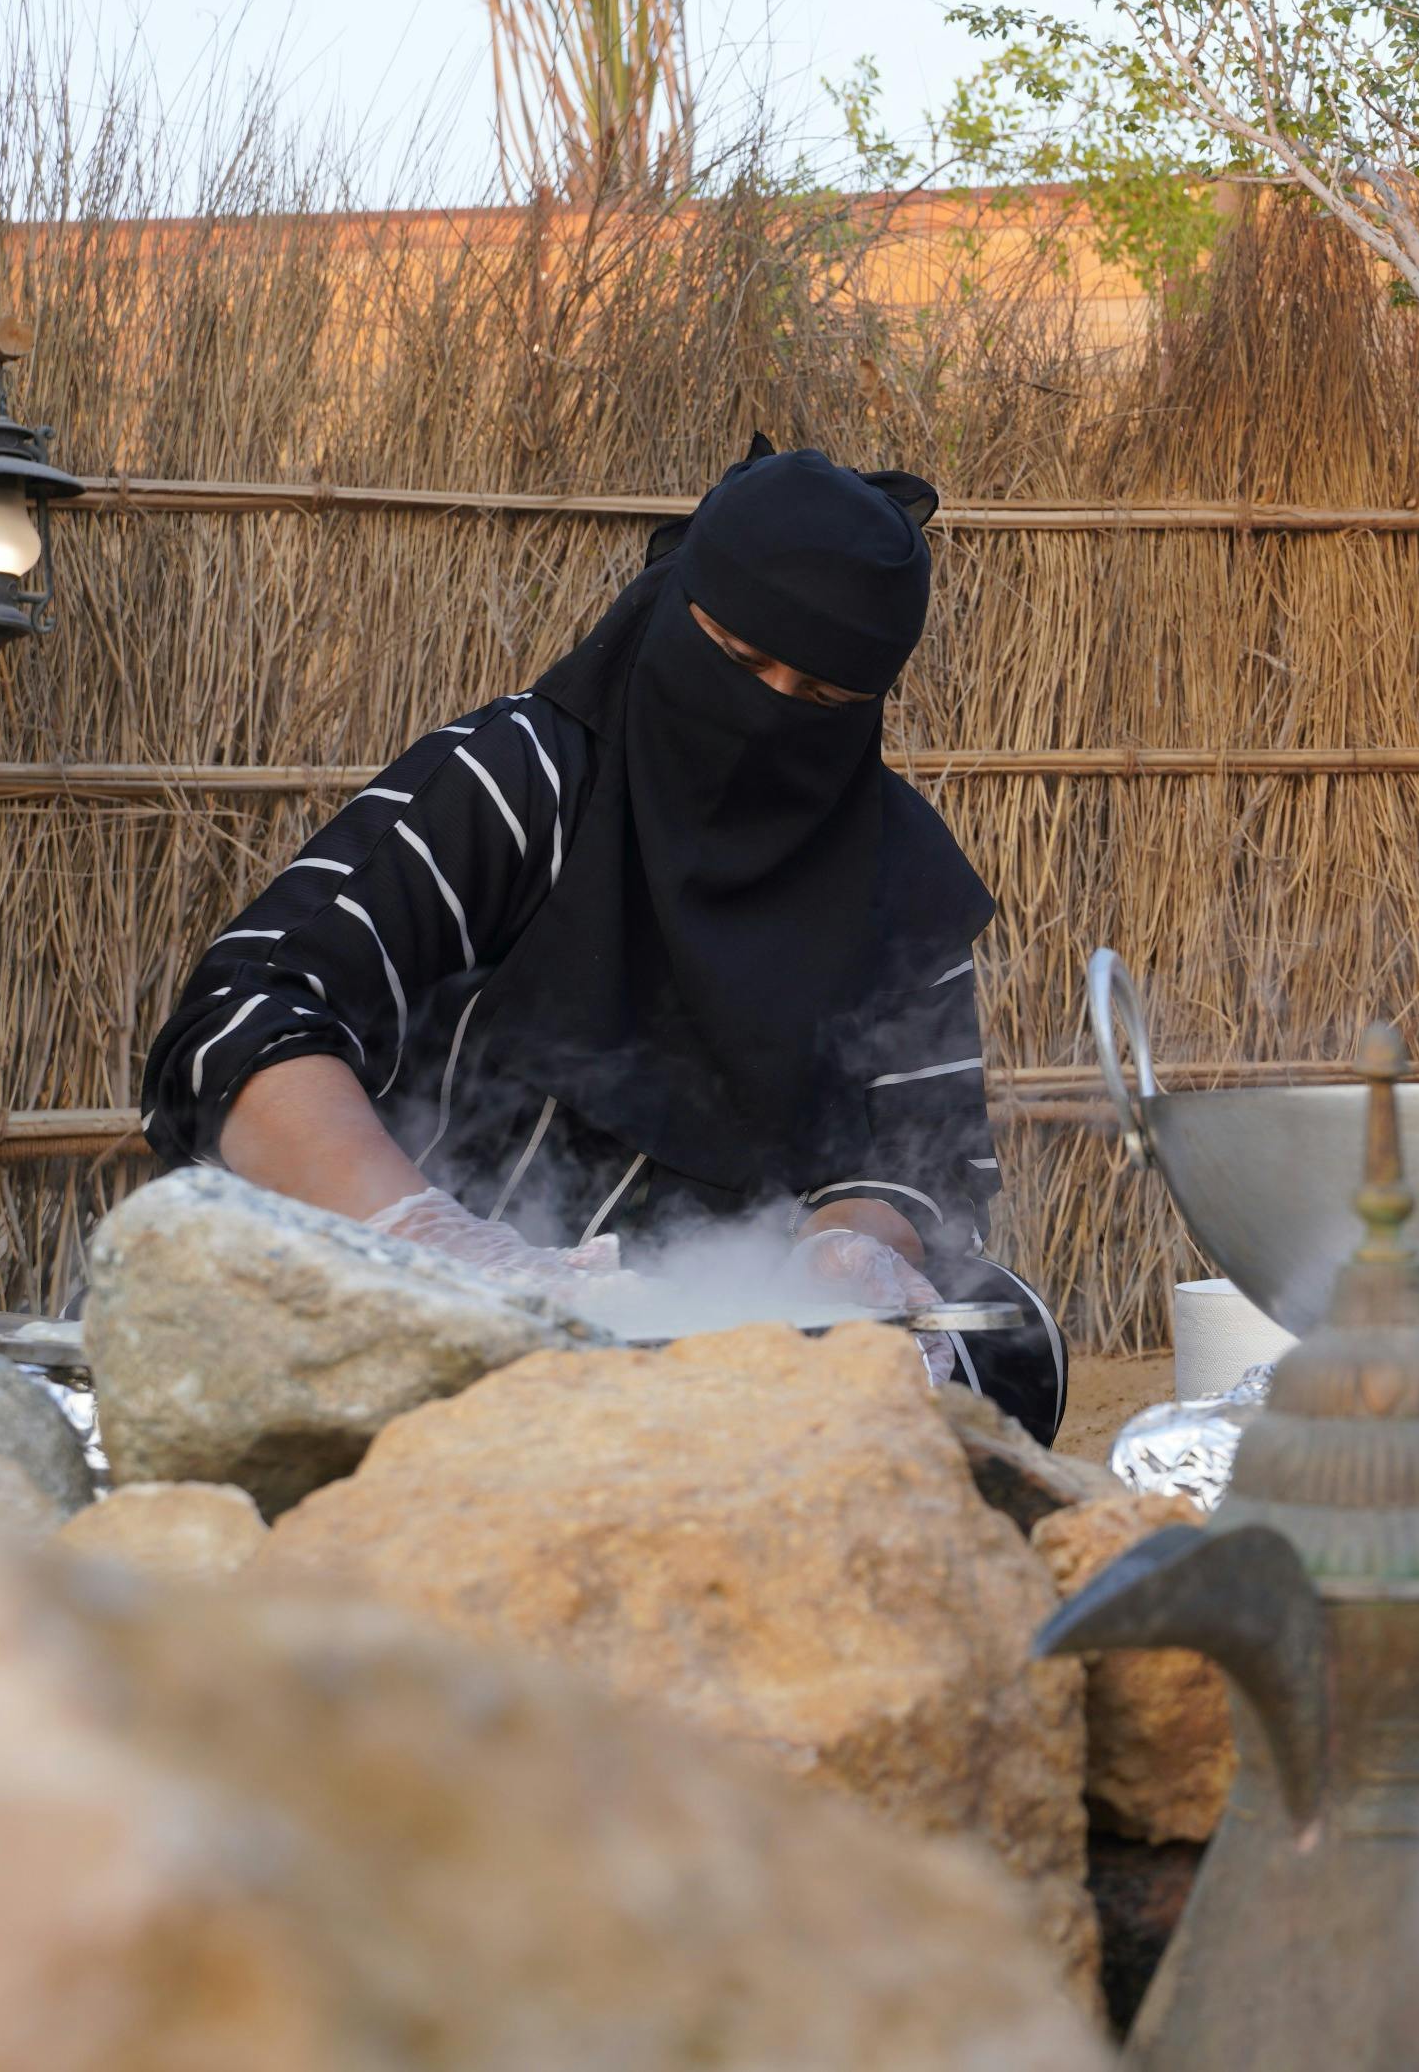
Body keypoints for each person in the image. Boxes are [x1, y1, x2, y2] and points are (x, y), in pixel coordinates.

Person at [137, 443, 1068, 1434]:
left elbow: (922, 1167)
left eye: (823, 700)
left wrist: (842, 1255)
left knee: (1003, 1341)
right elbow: (243, 1022)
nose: (768, 715)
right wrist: (438, 1242)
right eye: (742, 662)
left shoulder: (896, 870)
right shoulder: (525, 778)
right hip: (411, 1293)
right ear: (672, 611)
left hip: (704, 1335)